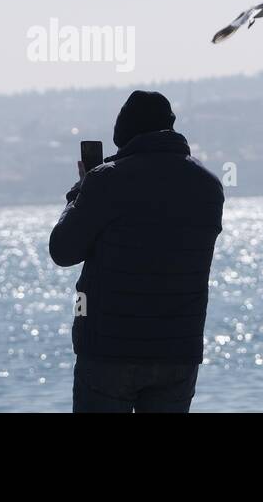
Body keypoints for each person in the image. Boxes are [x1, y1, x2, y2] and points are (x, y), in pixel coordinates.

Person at [49, 90, 224, 412]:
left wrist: (81, 190)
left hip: (109, 349)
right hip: (178, 349)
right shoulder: (208, 185)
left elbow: (63, 250)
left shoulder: (106, 181)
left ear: (124, 134)